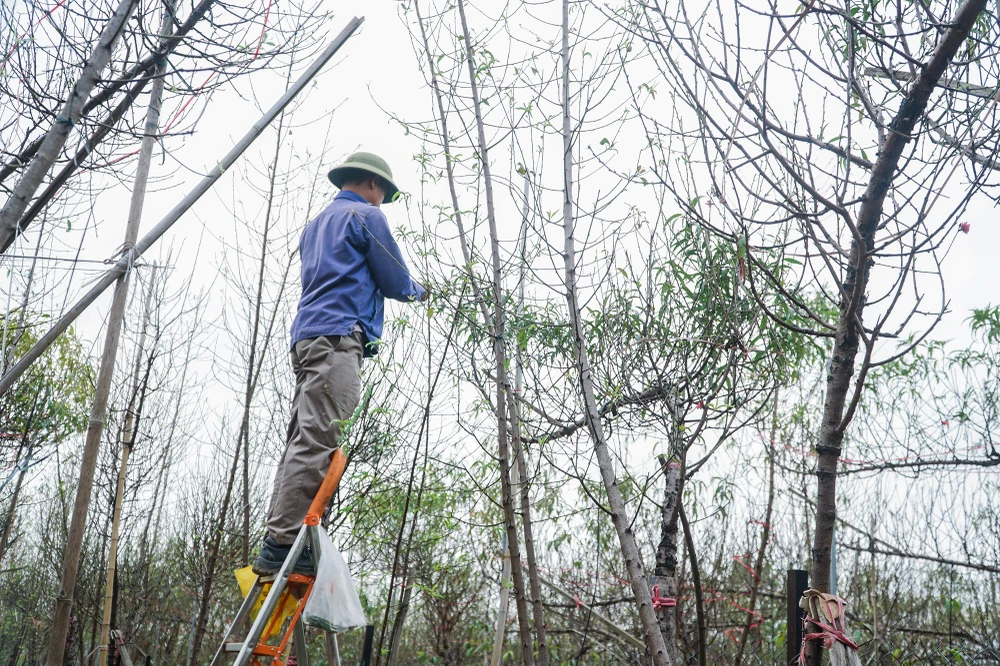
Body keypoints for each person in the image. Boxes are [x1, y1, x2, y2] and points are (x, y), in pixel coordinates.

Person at [253, 152, 426, 575]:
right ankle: (284, 543)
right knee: (318, 438)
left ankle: (279, 535)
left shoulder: (315, 225)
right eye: (383, 193)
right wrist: (422, 291)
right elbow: (395, 280)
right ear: (372, 184)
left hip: (307, 337)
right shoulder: (366, 216)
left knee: (302, 437)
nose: (382, 202)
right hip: (338, 338)